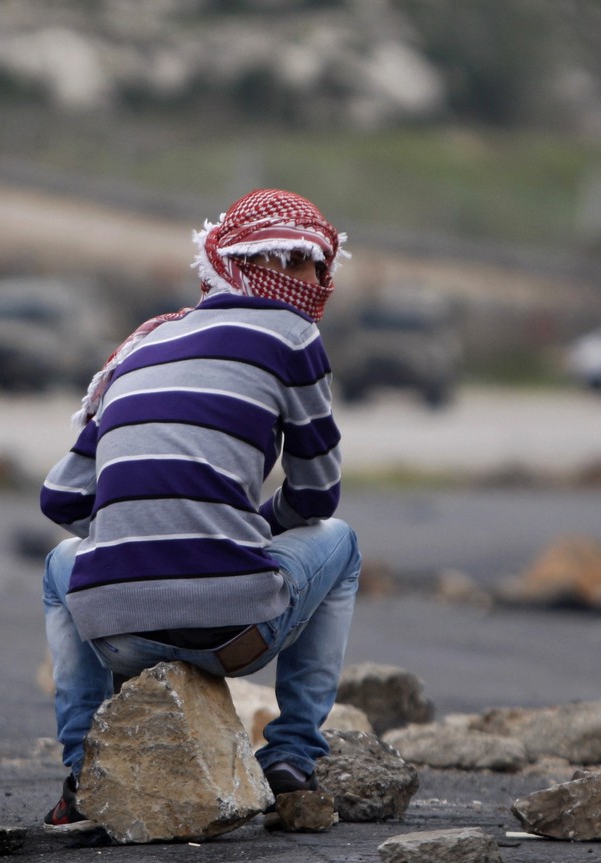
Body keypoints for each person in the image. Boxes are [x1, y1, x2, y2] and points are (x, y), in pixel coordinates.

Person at [38, 189, 362, 832]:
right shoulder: (295, 336)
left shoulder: (139, 346)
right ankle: (293, 755)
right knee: (342, 542)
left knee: (58, 566)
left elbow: (62, 498)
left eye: (306, 264)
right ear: (238, 264)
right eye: (279, 262)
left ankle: (83, 777)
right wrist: (233, 528)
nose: (295, 280)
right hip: (237, 635)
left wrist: (139, 535)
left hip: (118, 636)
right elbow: (317, 496)